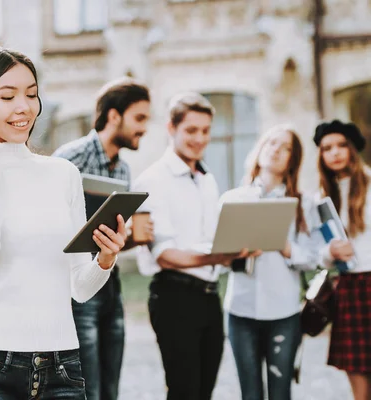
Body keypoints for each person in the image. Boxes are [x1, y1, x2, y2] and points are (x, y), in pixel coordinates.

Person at [0, 47, 126, 400]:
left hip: (63, 367)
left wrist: (105, 260)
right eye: (8, 96)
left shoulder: (63, 174)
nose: (24, 107)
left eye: (32, 95)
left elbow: (79, 288)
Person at [133, 92, 256, 400]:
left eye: (205, 130)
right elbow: (165, 256)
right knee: (184, 392)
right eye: (191, 130)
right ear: (171, 128)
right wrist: (220, 255)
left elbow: (211, 240)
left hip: (209, 297)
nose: (200, 138)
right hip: (174, 298)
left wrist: (238, 249)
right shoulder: (152, 180)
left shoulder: (207, 179)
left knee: (204, 393)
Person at [52, 78, 152, 400]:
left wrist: (135, 236)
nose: (144, 129)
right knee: (87, 388)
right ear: (113, 116)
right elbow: (51, 224)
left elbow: (111, 235)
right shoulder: (70, 158)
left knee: (111, 387)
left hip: (112, 283)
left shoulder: (123, 169)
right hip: (79, 287)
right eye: (139, 119)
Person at [221, 125, 321, 400]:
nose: (276, 150)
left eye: (285, 147)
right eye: (271, 143)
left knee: (280, 393)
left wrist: (286, 248)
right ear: (260, 149)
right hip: (240, 312)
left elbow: (313, 258)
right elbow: (216, 260)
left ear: (293, 159)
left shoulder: (303, 205)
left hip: (283, 314)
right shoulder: (233, 199)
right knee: (249, 394)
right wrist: (232, 253)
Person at [314, 119, 371, 400]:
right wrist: (331, 253)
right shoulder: (321, 199)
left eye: (340, 146)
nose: (334, 153)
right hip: (349, 287)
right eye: (326, 148)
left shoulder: (370, 182)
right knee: (357, 373)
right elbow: (318, 254)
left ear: (351, 149)